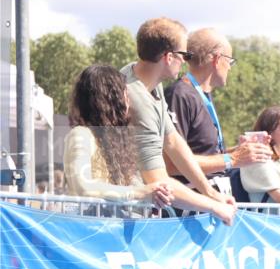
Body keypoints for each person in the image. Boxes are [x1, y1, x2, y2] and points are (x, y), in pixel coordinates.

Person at [64, 64, 235, 223]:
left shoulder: (121, 141)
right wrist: (141, 193)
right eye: (124, 92)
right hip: (91, 232)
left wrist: (153, 196)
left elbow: (140, 189)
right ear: (112, 99)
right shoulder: (80, 135)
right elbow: (83, 186)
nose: (129, 99)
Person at [121, 17, 234, 219]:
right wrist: (214, 206)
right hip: (124, 213)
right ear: (169, 57)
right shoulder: (137, 102)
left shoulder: (147, 80)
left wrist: (211, 193)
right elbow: (159, 180)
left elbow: (173, 141)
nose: (186, 61)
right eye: (184, 54)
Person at [164, 28, 271, 195]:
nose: (230, 68)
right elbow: (171, 164)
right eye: (230, 61)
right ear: (217, 59)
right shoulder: (180, 94)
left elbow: (203, 154)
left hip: (212, 201)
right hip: (190, 208)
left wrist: (240, 151)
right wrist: (233, 159)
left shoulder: (201, 94)